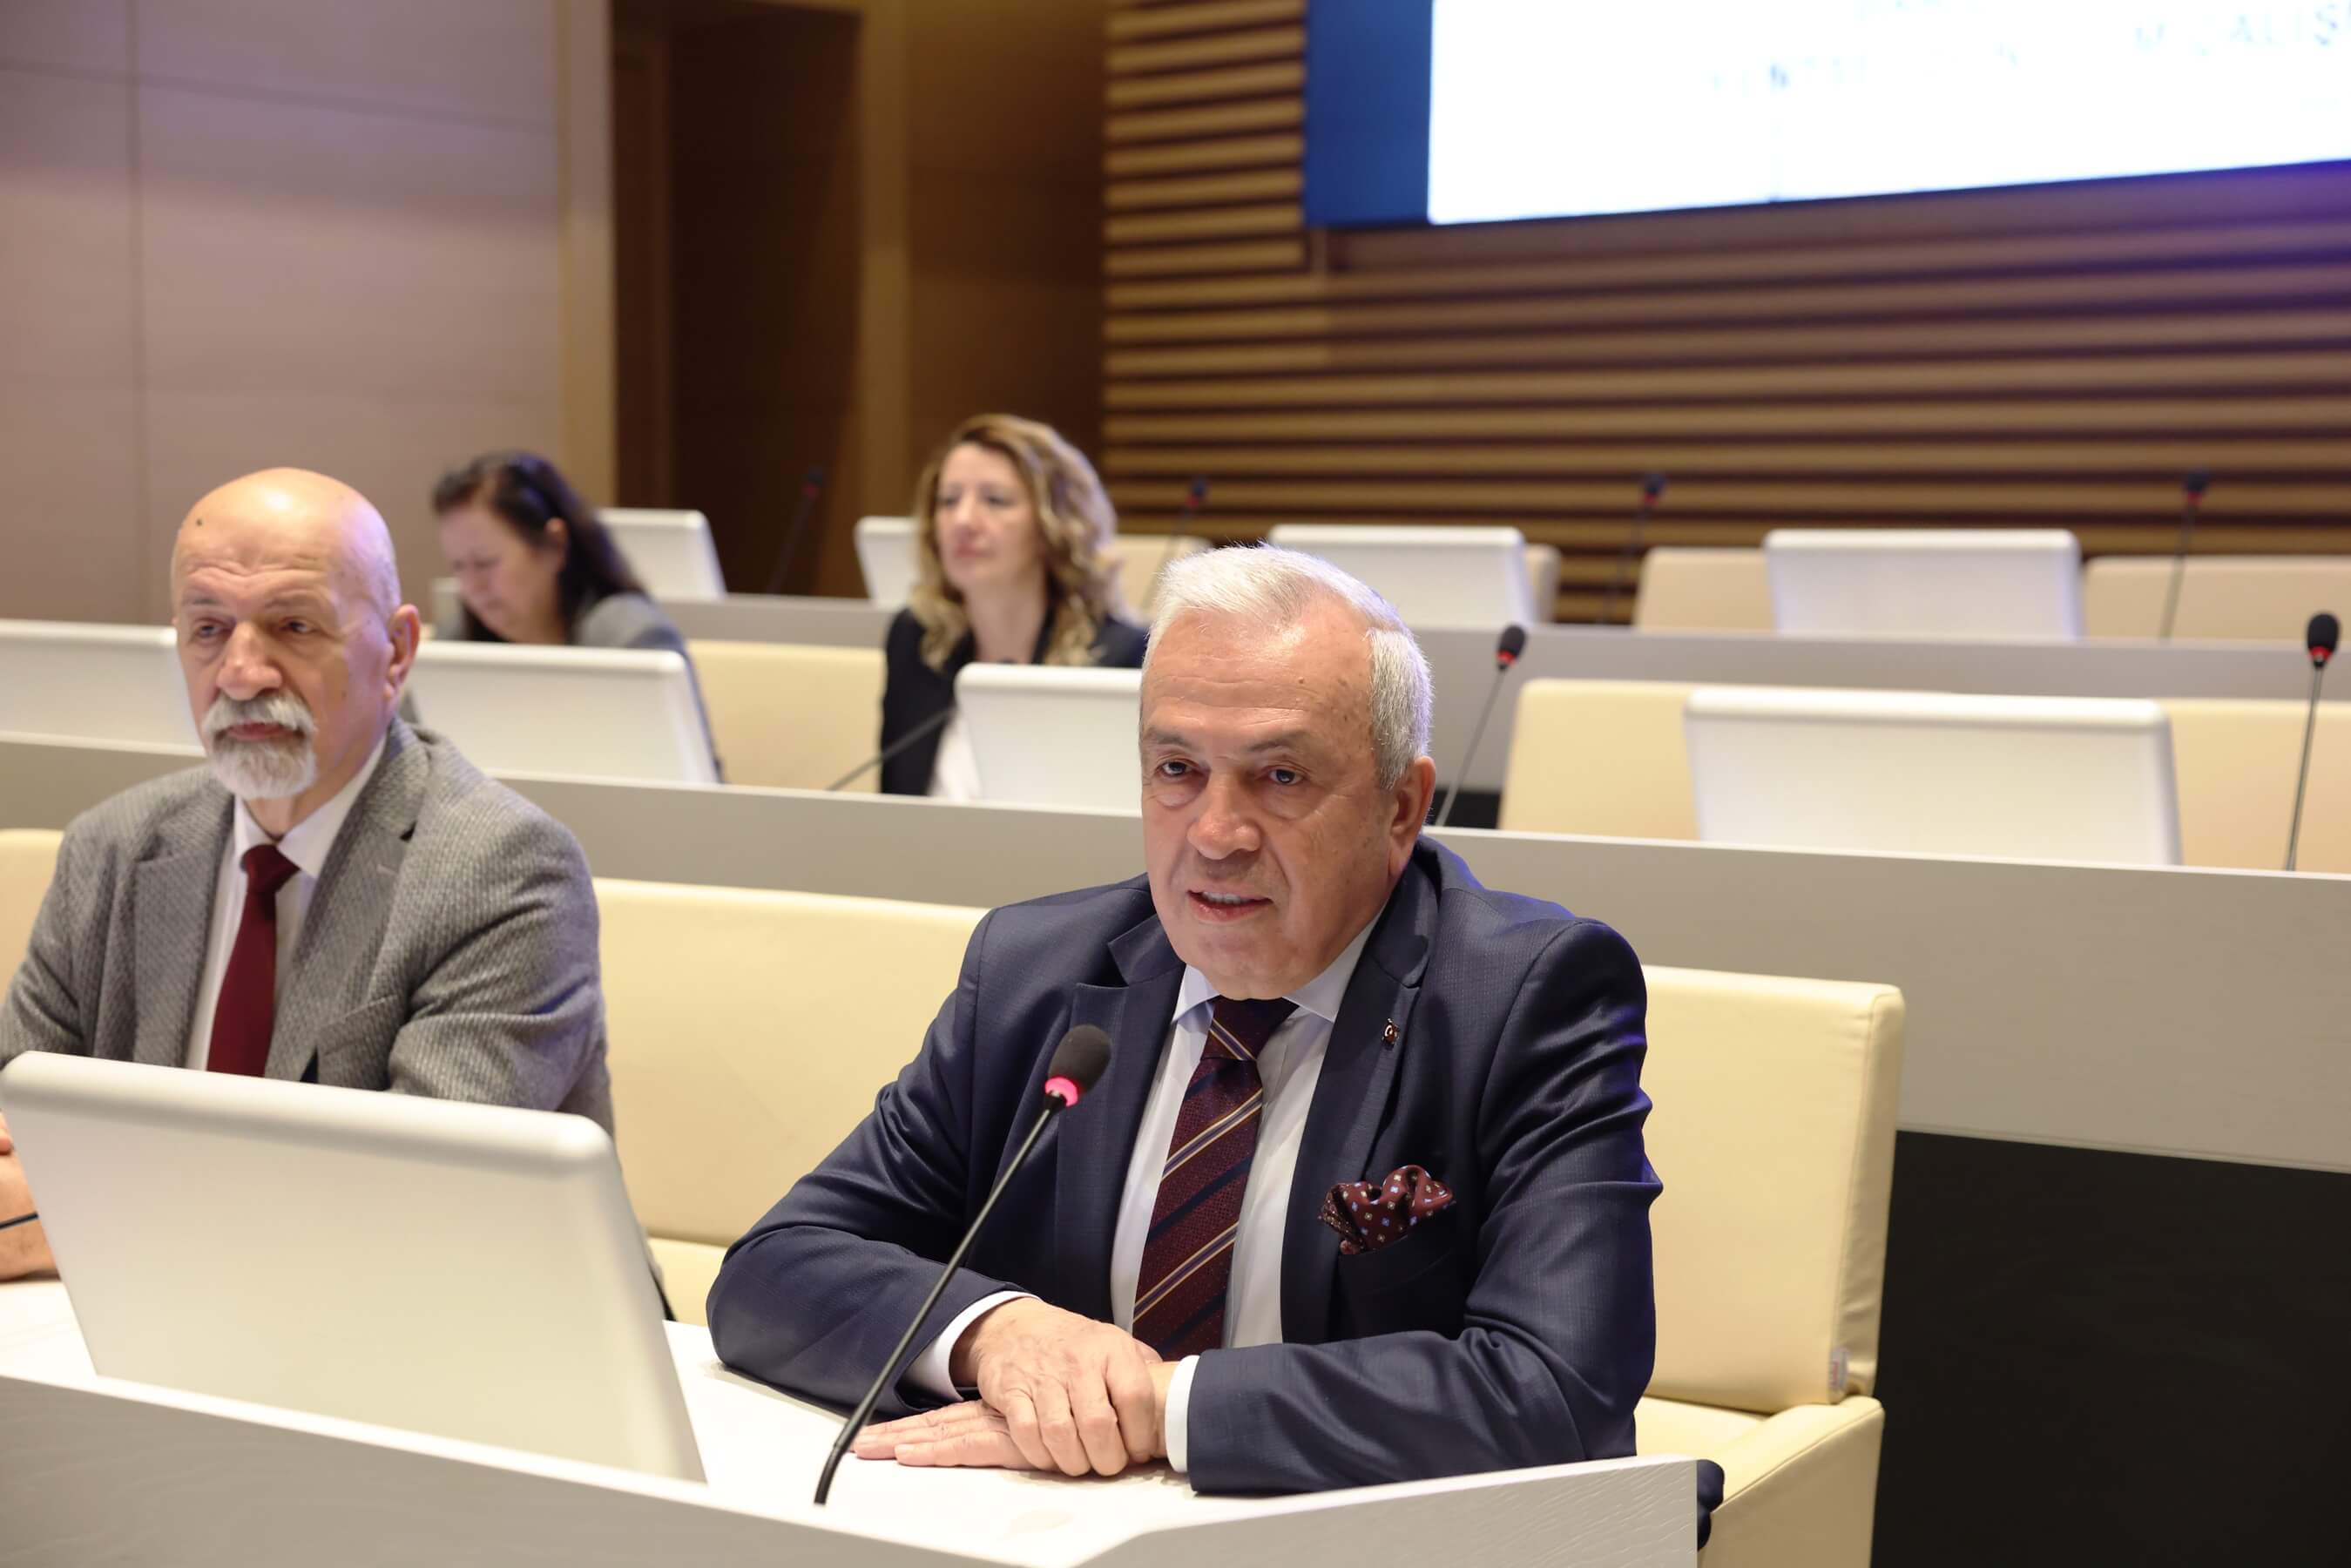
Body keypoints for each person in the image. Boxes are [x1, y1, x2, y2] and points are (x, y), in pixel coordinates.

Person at [709, 546, 1709, 1524]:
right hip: (1053, 1534)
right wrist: (995, 1334)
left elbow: (1556, 1392)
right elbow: (774, 1268)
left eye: (1279, 776)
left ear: (1400, 805)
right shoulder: (1032, 973)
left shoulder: (1524, 997)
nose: (1214, 834)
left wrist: (1160, 1406)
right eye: (1176, 769)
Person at [0, 467, 612, 1282]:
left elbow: (419, 1196)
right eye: (208, 628)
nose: (241, 673)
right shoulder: (111, 849)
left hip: (444, 1321)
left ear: (396, 651)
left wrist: (76, 1222)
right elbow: (15, 1118)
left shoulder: (503, 873)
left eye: (293, 626)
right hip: (120, 1311)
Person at [878, 415, 1146, 797]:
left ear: (1054, 524)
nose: (963, 520)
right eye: (949, 500)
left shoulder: (1121, 657)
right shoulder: (916, 640)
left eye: (995, 500)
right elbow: (893, 807)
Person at [431, 450, 720, 778]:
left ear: (555, 544)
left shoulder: (632, 640)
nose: (472, 586)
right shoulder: (453, 645)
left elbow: (689, 783)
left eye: (485, 562)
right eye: (458, 566)